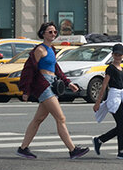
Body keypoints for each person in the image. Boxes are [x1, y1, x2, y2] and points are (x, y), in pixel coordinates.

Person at [16, 21, 89, 160]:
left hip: (51, 83)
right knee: (60, 118)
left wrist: (69, 83)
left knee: (38, 119)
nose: (53, 34)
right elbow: (29, 70)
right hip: (43, 86)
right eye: (50, 32)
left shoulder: (52, 49)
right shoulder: (40, 50)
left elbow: (57, 70)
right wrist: (25, 90)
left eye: (55, 32)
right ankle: (73, 150)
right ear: (43, 33)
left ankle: (23, 148)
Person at [92, 43, 123, 159]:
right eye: (116, 54)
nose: (118, 57)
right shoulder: (110, 68)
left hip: (122, 98)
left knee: (122, 125)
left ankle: (100, 140)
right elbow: (104, 86)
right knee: (122, 125)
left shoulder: (122, 70)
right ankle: (122, 151)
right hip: (114, 98)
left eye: (120, 55)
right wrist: (98, 102)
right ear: (112, 55)